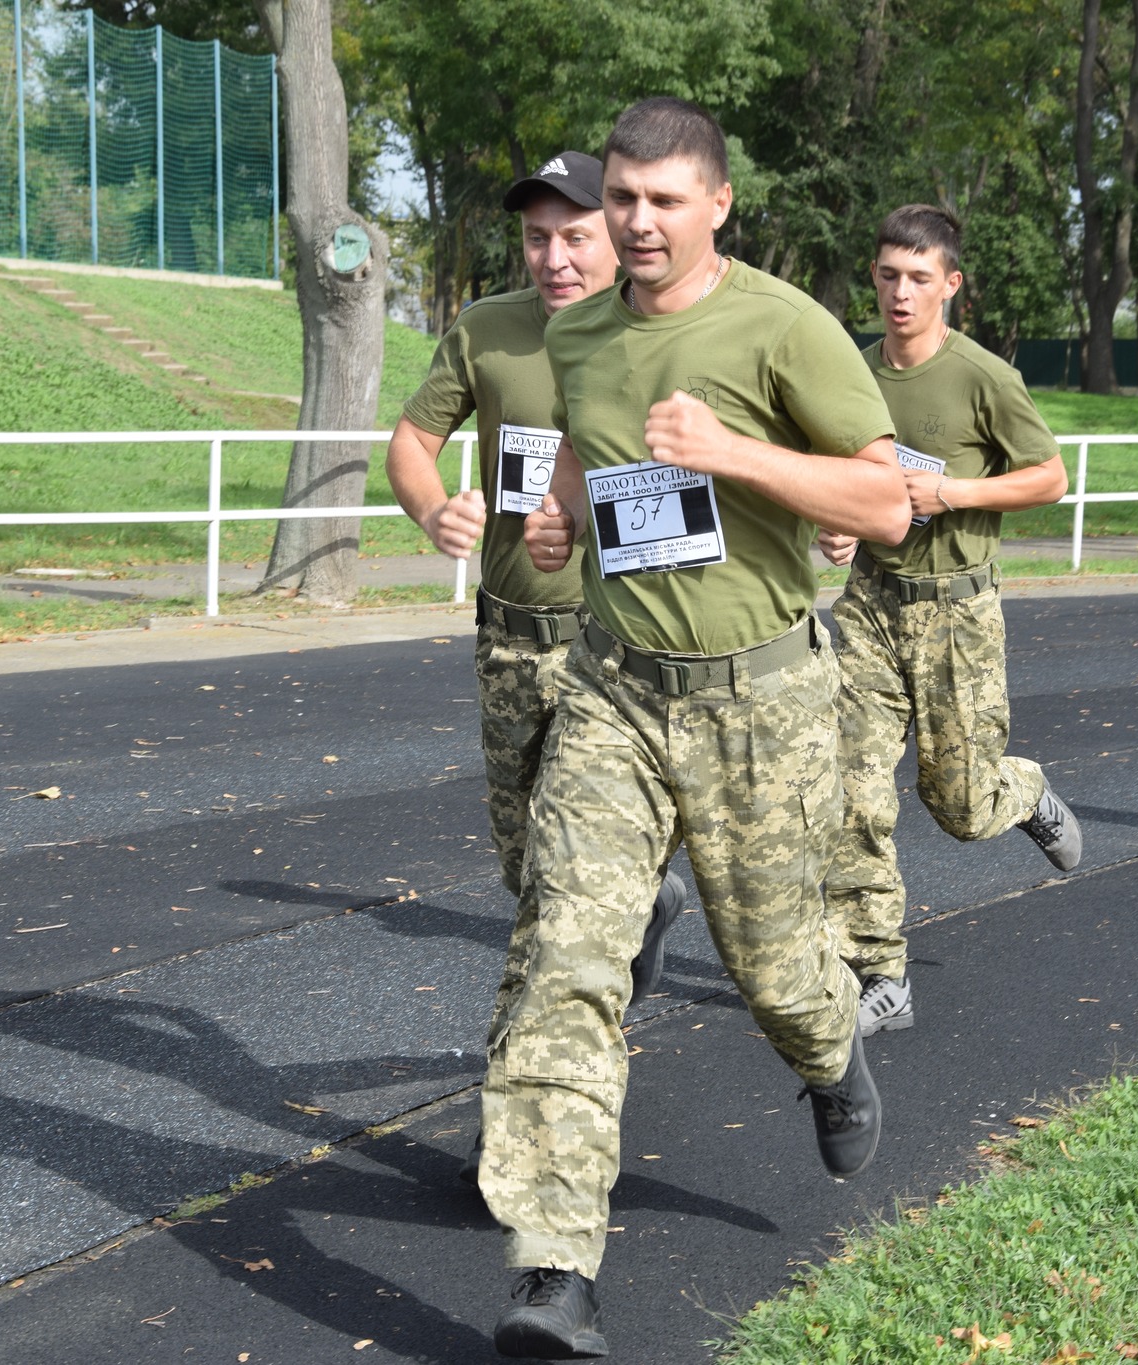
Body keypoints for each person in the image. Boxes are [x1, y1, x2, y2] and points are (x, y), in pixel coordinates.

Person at [482, 97, 911, 1360]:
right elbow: (581, 456)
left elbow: (887, 500)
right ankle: (554, 1266)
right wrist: (557, 517)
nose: (637, 223)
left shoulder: (785, 327)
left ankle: (831, 1059)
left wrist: (732, 452)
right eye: (622, 199)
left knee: (776, 970)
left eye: (664, 201)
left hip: (763, 701)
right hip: (613, 691)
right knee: (567, 950)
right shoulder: (583, 333)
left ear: (717, 203)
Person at [384, 151, 686, 1182]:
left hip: (618, 644)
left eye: (573, 235)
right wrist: (437, 509)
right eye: (535, 238)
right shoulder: (486, 330)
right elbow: (411, 442)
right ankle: (641, 909)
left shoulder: (663, 332)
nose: (554, 256)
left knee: (557, 905)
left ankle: (518, 1126)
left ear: (614, 230)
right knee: (530, 880)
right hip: (511, 636)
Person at [816, 205, 1083, 1039]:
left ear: (950, 286)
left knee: (961, 805)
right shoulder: (853, 373)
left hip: (956, 612)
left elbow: (1050, 478)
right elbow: (840, 480)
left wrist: (955, 492)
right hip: (868, 602)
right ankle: (878, 974)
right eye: (889, 275)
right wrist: (834, 524)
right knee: (849, 792)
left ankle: (1027, 790)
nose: (901, 293)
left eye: (919, 279)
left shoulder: (982, 376)